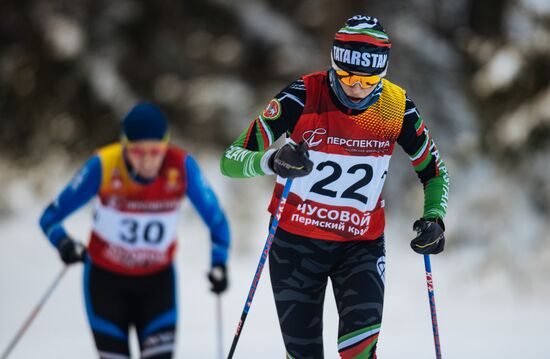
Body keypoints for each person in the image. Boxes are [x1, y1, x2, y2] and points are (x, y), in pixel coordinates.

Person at [221, 15, 449, 359]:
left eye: (367, 80)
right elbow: (232, 159)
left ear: (382, 74)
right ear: (333, 65)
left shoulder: (396, 106)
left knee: (359, 351)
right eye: (346, 76)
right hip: (295, 246)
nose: (356, 88)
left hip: (359, 247)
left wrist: (435, 217)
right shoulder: (304, 94)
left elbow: (434, 172)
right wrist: (272, 160)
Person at [39, 102, 230, 359]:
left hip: (156, 286)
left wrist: (219, 263)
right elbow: (50, 217)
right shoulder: (104, 166)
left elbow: (216, 221)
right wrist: (63, 243)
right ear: (124, 146)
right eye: (137, 152)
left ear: (166, 145)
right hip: (106, 284)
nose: (148, 160)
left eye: (155, 151)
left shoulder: (181, 166)